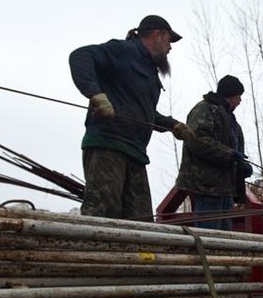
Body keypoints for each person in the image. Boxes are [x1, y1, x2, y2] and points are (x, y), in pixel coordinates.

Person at [69, 15, 195, 220]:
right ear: (157, 35)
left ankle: (133, 253)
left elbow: (143, 112)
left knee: (141, 220)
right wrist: (95, 95)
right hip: (108, 145)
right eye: (169, 41)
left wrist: (173, 125)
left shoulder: (149, 69)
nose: (170, 48)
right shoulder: (124, 50)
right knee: (103, 214)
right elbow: (80, 56)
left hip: (135, 152)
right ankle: (95, 252)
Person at [176, 75, 252, 230]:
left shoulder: (230, 120)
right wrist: (230, 155)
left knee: (224, 238)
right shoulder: (205, 109)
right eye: (239, 96)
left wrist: (241, 165)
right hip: (207, 185)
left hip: (225, 188)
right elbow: (197, 140)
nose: (240, 101)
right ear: (231, 95)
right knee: (209, 234)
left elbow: (232, 149)